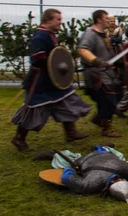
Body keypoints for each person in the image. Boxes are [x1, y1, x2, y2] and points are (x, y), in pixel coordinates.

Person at [10, 8, 90, 151]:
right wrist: (58, 64)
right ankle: (19, 138)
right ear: (48, 20)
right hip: (40, 81)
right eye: (58, 19)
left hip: (53, 80)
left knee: (66, 100)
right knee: (35, 109)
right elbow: (37, 59)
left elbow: (54, 55)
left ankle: (71, 133)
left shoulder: (49, 34)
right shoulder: (40, 36)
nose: (61, 22)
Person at [77, 10, 123, 137]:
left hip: (107, 72)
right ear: (99, 20)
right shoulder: (90, 34)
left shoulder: (104, 35)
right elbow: (82, 50)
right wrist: (96, 61)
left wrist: (118, 62)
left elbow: (108, 53)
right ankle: (106, 127)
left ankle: (100, 118)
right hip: (95, 73)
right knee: (109, 99)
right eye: (106, 18)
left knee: (118, 95)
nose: (109, 20)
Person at [56, 147, 128, 202]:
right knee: (61, 161)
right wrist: (71, 169)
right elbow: (66, 176)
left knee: (113, 153)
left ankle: (99, 147)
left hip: (103, 153)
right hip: (86, 159)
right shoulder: (90, 184)